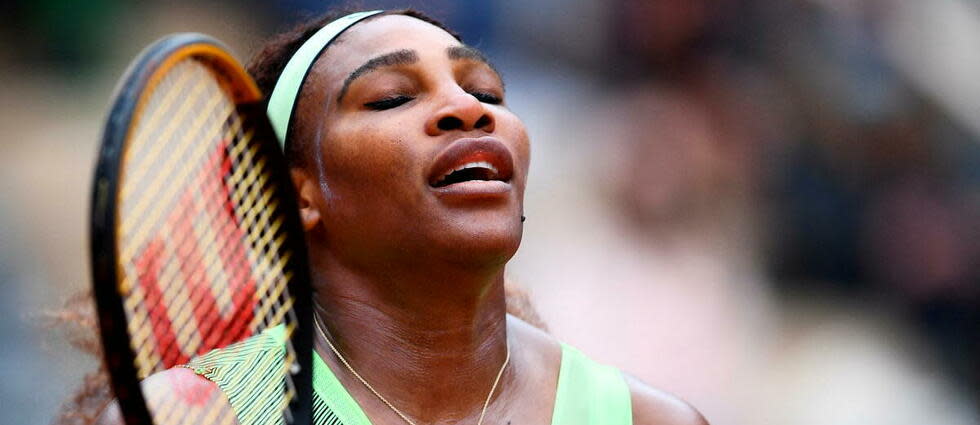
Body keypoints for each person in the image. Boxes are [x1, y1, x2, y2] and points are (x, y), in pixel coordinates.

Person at [94, 8, 707, 425]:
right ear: (296, 195)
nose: (467, 110)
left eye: (487, 93)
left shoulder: (651, 420)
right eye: (391, 97)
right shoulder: (194, 415)